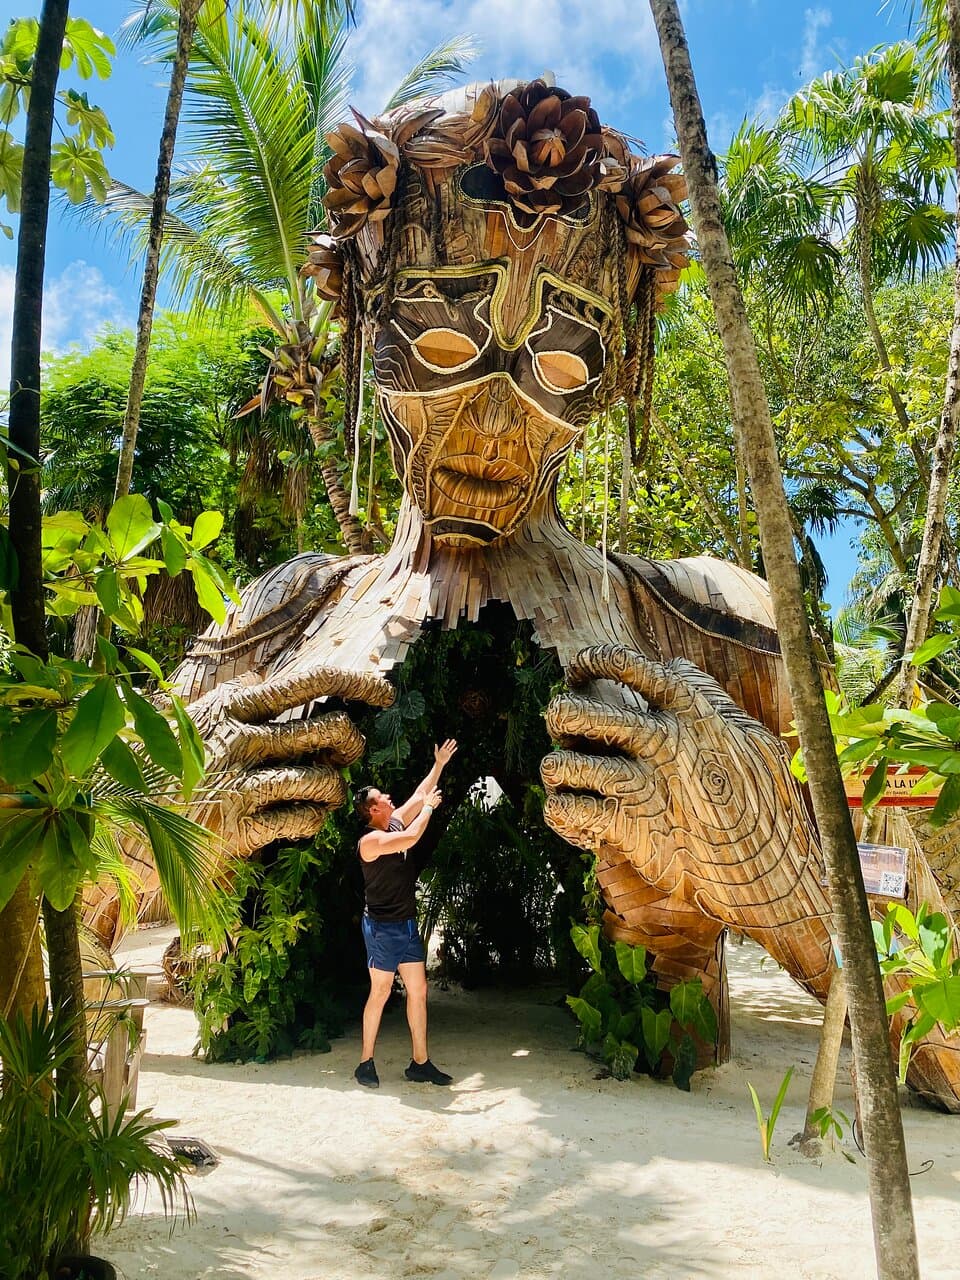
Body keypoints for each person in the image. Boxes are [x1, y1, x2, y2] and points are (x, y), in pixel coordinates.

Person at [352, 738, 458, 1088]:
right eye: (384, 798)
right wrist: (428, 809)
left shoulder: (393, 822)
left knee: (419, 989)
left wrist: (439, 764)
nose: (390, 799)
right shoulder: (371, 842)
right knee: (380, 992)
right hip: (382, 928)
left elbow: (418, 793)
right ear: (373, 810)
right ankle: (365, 1063)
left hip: (407, 924)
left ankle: (420, 1063)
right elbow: (412, 838)